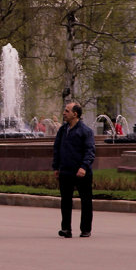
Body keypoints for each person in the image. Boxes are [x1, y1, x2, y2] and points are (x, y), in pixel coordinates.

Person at [52, 101, 96, 238]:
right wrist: (56, 167)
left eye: (67, 111)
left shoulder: (85, 131)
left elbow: (90, 151)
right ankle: (66, 229)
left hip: (82, 172)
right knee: (65, 200)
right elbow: (57, 149)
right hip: (65, 170)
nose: (64, 113)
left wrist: (84, 167)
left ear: (75, 114)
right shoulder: (62, 130)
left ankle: (86, 229)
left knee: (86, 201)